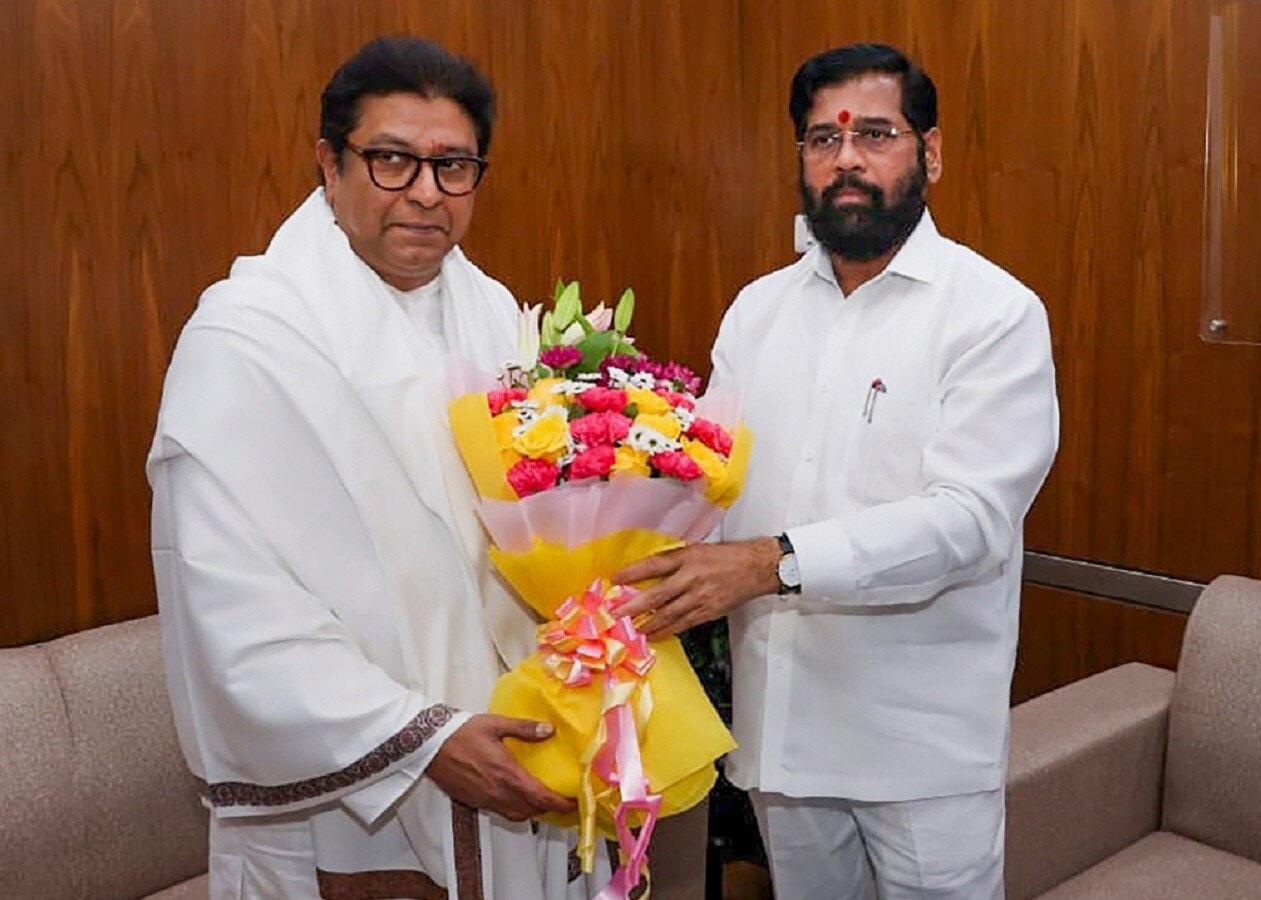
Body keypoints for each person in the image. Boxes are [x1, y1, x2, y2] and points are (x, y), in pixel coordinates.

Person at [147, 36, 611, 899]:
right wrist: (420, 736)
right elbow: (229, 595)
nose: (426, 193)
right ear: (330, 165)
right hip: (350, 786)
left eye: (453, 166)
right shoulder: (247, 339)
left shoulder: (496, 317)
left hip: (513, 747)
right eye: (392, 160)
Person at [615, 43, 1059, 899]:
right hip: (782, 741)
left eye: (875, 135)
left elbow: (967, 521)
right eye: (823, 139)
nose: (846, 158)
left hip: (919, 756)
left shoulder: (992, 314)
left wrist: (768, 563)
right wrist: (598, 496)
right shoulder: (758, 312)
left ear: (930, 153)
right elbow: (710, 484)